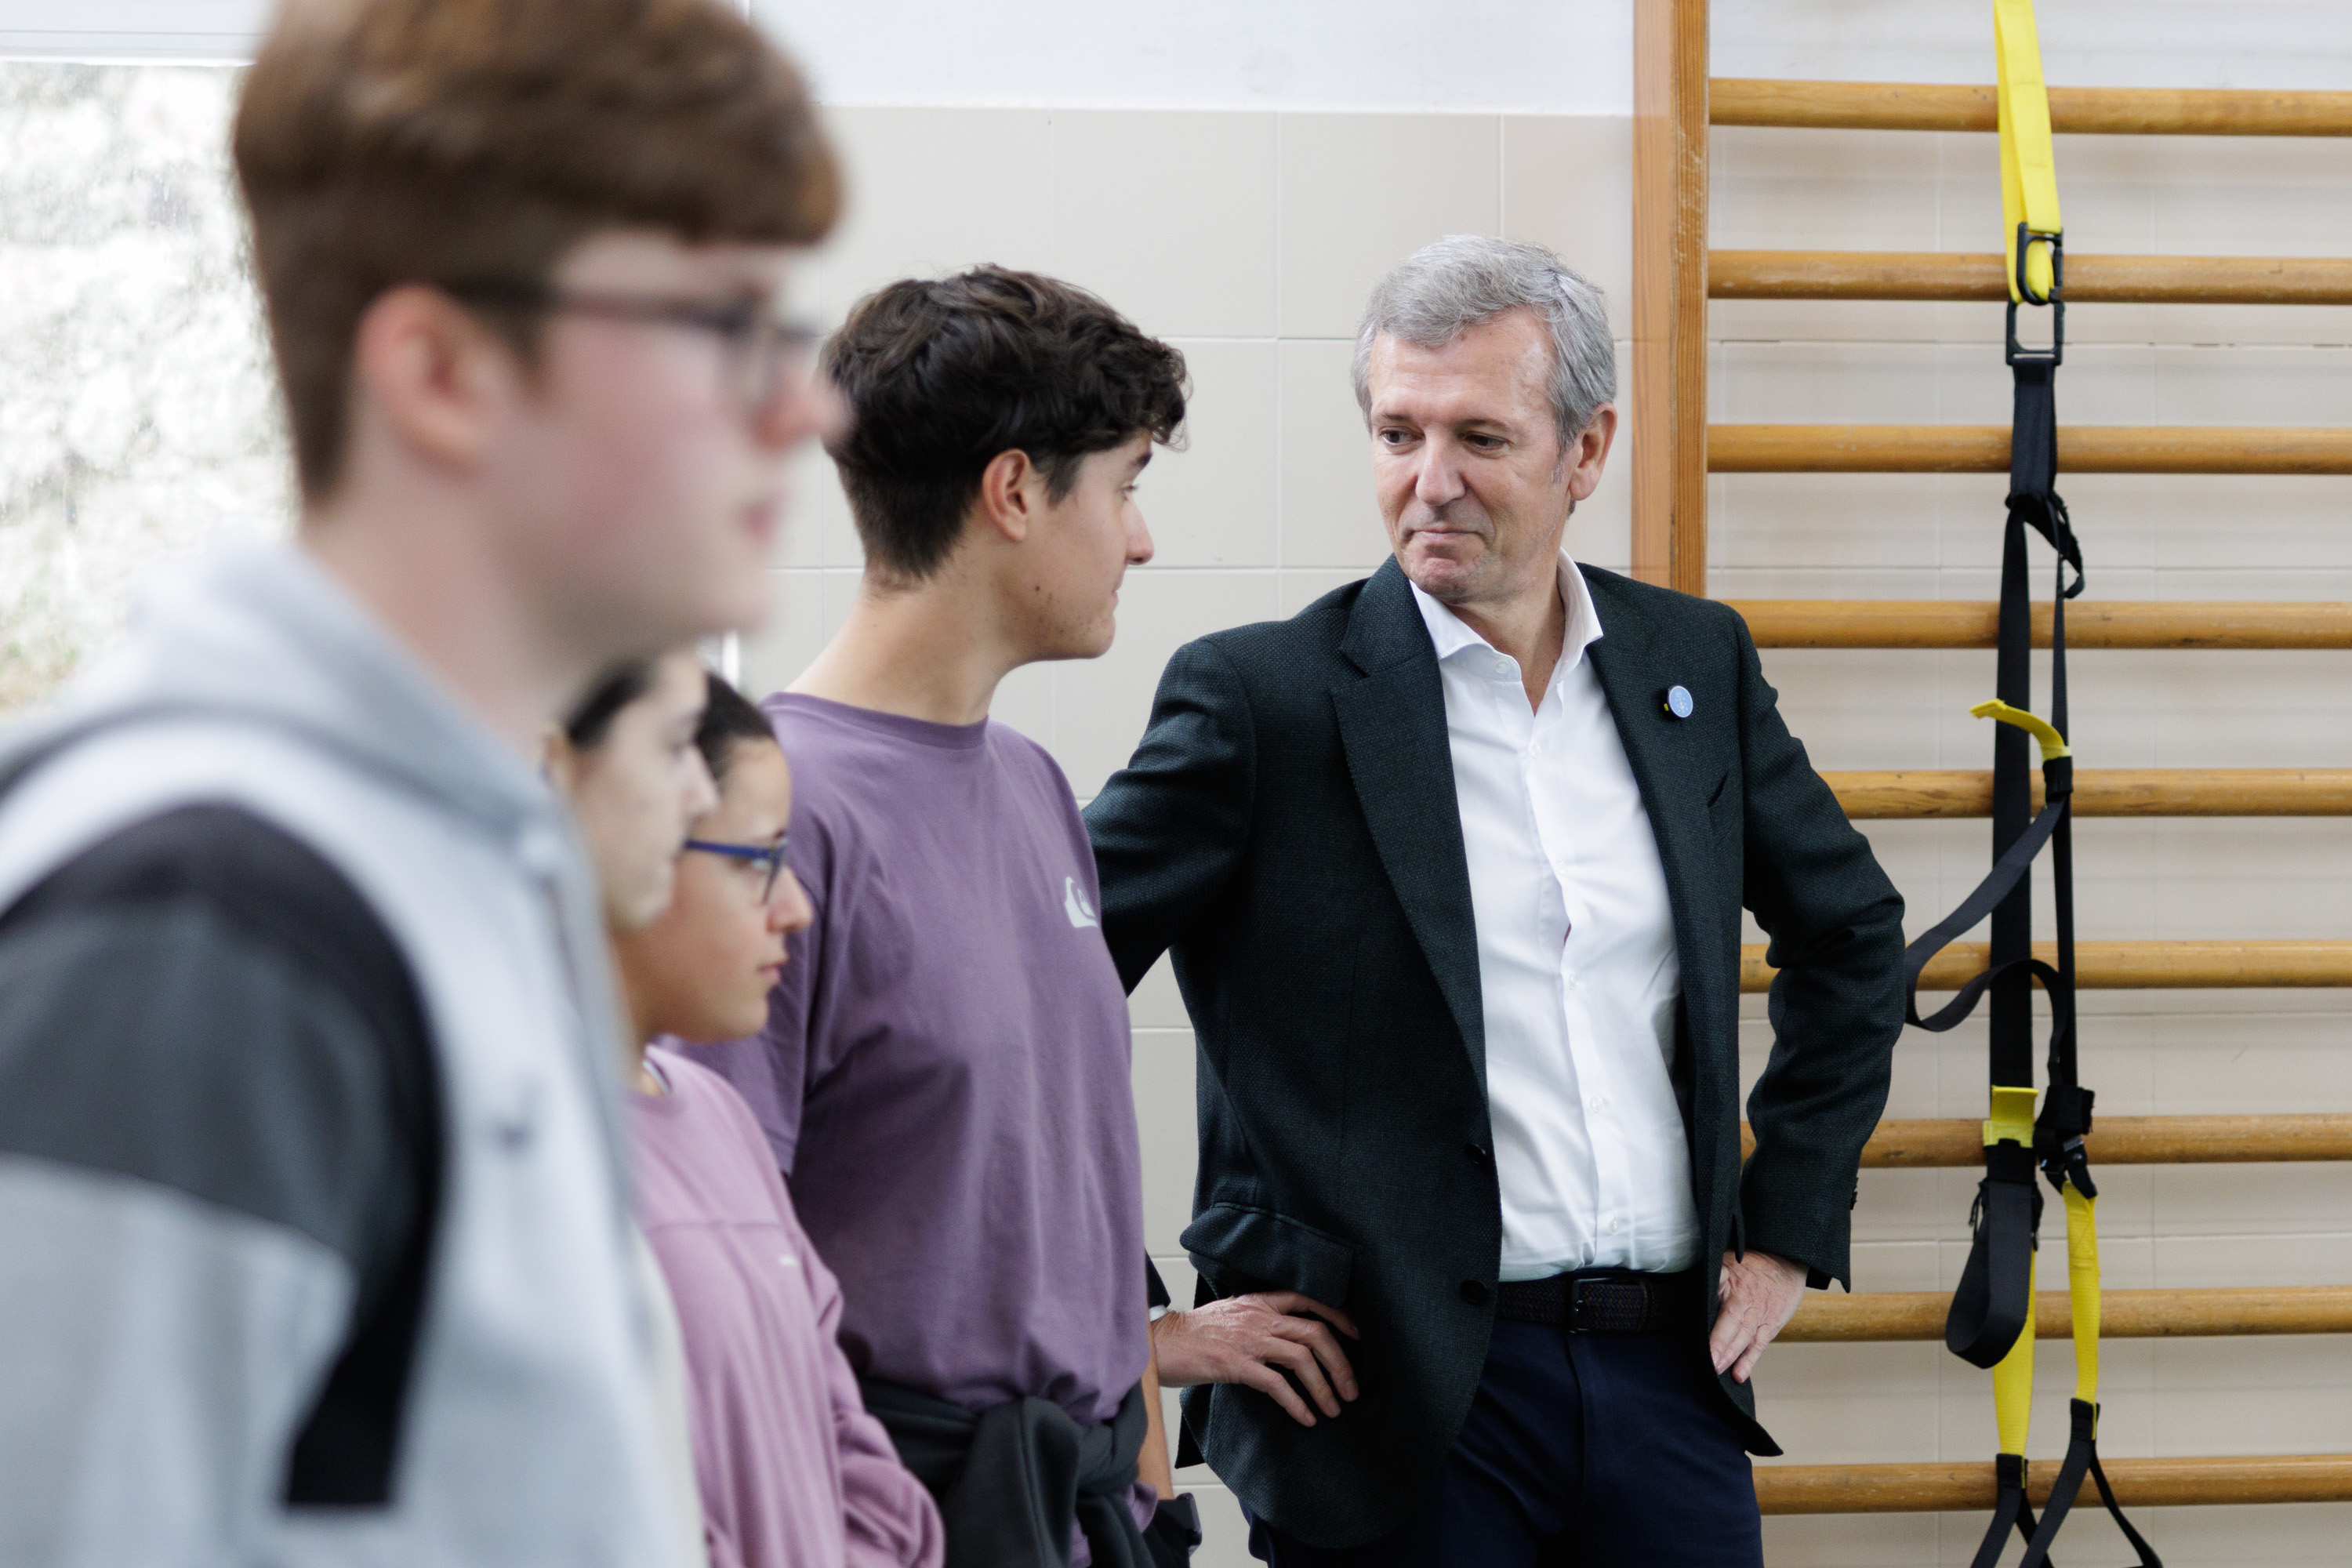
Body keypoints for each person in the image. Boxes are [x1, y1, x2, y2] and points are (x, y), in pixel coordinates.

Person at [0, 2, 838, 1562]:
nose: (807, 406)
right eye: (721, 328)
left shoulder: (463, 862)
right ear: (444, 371)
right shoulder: (203, 916)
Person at [1084, 236, 1907, 1566]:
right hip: (1388, 1410)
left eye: (1480, 437)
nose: (1431, 482)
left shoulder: (1691, 664)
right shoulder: (1260, 703)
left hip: (1668, 1379)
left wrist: (1789, 1233)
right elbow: (1030, 987)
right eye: (1397, 433)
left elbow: (1854, 935)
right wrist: (1132, 1326)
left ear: (1587, 451)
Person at [691, 266, 1206, 1567]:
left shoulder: (1034, 787)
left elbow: (1076, 1183)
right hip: (908, 1519)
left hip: (1093, 1513)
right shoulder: (777, 817)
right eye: (1126, 486)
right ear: (1016, 492)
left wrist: (1148, 1486)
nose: (1141, 539)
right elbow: (719, 1260)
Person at [608, 671, 945, 1568]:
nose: (795, 908)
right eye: (759, 861)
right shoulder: (535, 1159)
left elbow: (846, 1438)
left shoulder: (718, 1116)